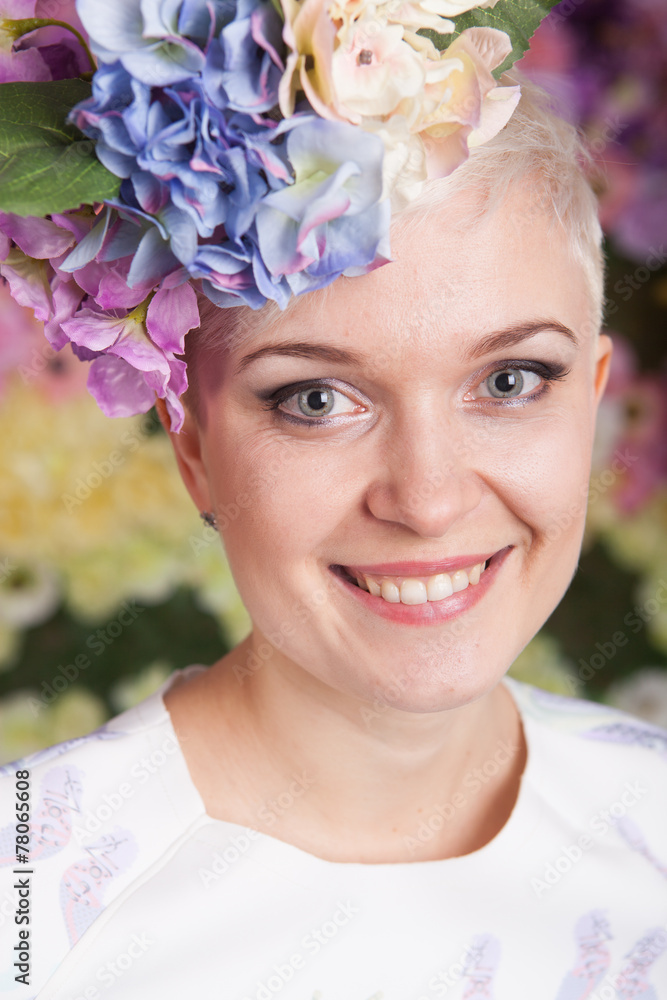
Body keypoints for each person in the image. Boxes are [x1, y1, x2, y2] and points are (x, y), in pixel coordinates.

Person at [1, 1, 666, 997]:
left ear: (594, 398)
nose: (429, 499)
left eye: (512, 380)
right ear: (193, 441)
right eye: (316, 398)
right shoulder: (30, 901)